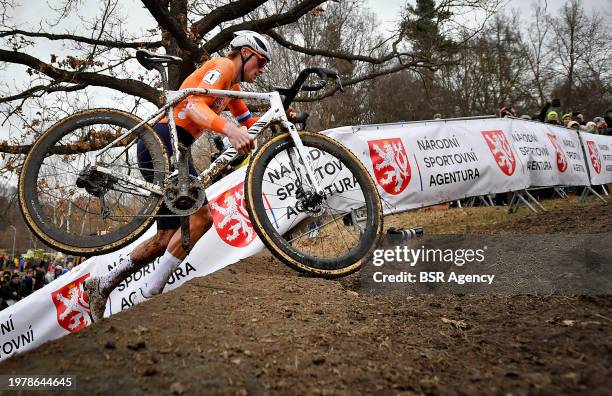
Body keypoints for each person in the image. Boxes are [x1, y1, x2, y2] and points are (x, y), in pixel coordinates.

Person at [84, 31, 287, 322]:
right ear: (244, 53)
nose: (263, 67)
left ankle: (103, 283)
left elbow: (249, 123)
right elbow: (193, 105)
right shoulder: (224, 66)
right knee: (201, 217)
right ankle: (150, 292)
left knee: (168, 237)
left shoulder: (231, 86)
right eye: (261, 60)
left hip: (174, 146)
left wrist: (282, 116)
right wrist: (229, 130)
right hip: (166, 139)